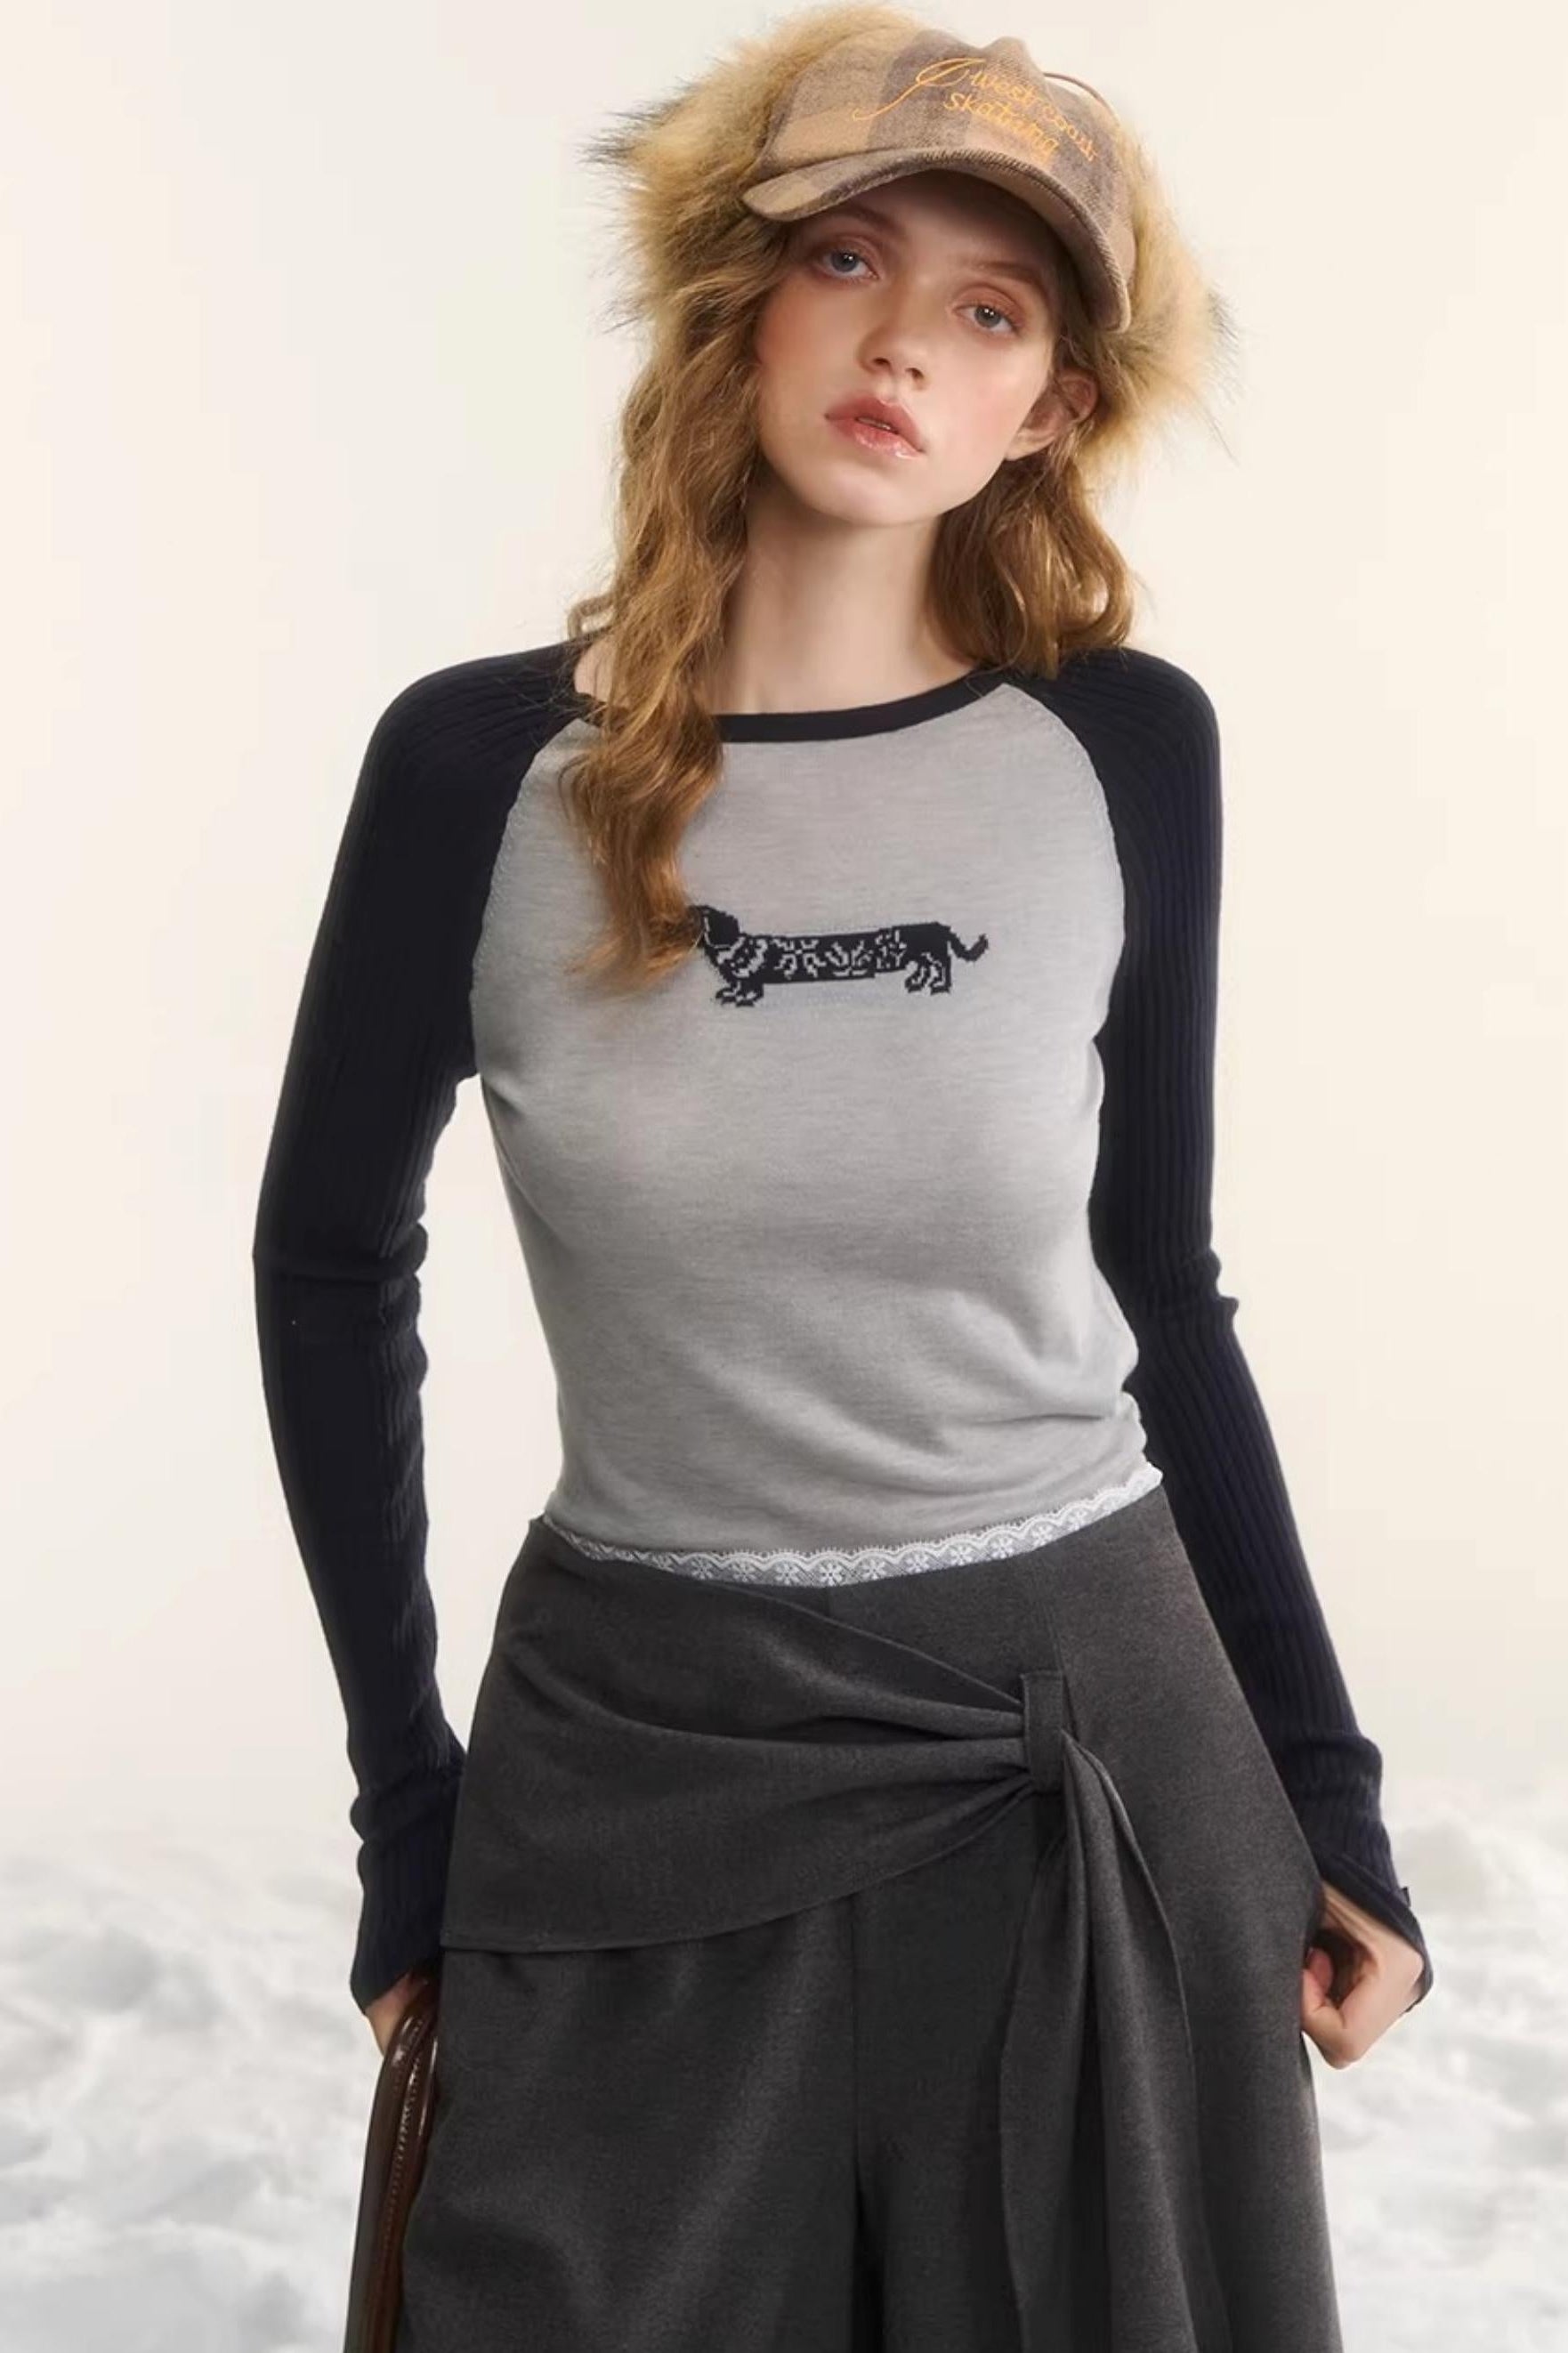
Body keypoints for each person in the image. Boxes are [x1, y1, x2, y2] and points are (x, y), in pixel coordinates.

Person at [251, 9, 1433, 2348]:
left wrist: (1325, 1786)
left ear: (1050, 407)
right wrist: (409, 1814)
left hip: (1082, 1728)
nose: (904, 347)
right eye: (849, 261)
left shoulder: (1117, 748)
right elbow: (324, 1263)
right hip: (640, 1742)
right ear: (740, 297)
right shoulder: (482, 771)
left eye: (990, 311)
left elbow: (1159, 1279)